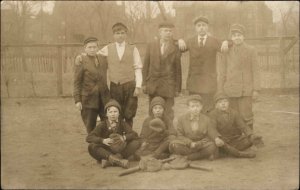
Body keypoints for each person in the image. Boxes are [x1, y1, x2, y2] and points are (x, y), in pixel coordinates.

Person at [177, 16, 229, 114]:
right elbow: (177, 46)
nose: (201, 28)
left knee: (209, 109)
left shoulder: (214, 41)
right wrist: (179, 40)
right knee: (194, 107)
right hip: (194, 81)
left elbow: (229, 45)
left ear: (207, 27)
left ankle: (208, 128)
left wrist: (226, 41)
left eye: (204, 25)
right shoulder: (190, 41)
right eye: (199, 25)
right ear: (195, 28)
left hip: (209, 82)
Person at [97, 22, 143, 127]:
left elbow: (138, 67)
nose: (120, 35)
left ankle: (128, 135)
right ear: (113, 35)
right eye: (117, 33)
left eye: (122, 33)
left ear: (126, 34)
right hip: (115, 86)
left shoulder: (133, 49)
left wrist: (138, 86)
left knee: (129, 113)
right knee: (115, 111)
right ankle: (117, 135)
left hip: (130, 85)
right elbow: (94, 55)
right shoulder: (108, 48)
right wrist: (82, 56)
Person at [218, 24, 261, 129]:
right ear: (231, 38)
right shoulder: (226, 50)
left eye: (239, 35)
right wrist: (220, 89)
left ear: (243, 36)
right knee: (233, 115)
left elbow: (256, 71)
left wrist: (256, 89)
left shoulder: (251, 50)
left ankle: (249, 138)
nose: (237, 37)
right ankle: (237, 139)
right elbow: (222, 72)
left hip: (245, 90)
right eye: (234, 35)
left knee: (246, 115)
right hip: (230, 89)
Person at [142, 21, 182, 122]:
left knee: (168, 111)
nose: (168, 33)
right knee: (153, 109)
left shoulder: (175, 47)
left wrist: (178, 88)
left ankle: (169, 132)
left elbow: (178, 69)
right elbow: (146, 66)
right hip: (153, 84)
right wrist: (144, 83)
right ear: (159, 32)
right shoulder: (151, 46)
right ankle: (153, 132)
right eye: (165, 31)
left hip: (168, 85)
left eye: (170, 31)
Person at [86, 99, 141, 168]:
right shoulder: (102, 125)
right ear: (106, 114)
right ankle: (118, 160)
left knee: (136, 142)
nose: (113, 114)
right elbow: (89, 137)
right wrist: (103, 140)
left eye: (115, 111)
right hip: (106, 150)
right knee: (92, 146)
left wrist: (123, 137)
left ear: (119, 113)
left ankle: (110, 161)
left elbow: (134, 134)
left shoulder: (122, 123)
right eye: (110, 112)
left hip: (120, 150)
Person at [169, 95, 224, 161]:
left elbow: (210, 132)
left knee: (213, 145)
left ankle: (188, 157)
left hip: (201, 144)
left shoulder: (206, 119)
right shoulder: (181, 119)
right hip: (187, 144)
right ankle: (201, 155)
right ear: (188, 108)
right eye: (192, 106)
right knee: (174, 144)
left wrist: (214, 139)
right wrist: (190, 143)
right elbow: (180, 135)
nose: (195, 109)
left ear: (201, 107)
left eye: (197, 106)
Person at [73, 37, 110, 134]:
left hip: (104, 98)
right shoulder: (81, 60)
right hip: (88, 99)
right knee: (90, 127)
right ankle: (93, 146)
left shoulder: (103, 58)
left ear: (98, 48)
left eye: (94, 47)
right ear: (85, 49)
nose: (92, 49)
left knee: (107, 124)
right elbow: (77, 82)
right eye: (89, 47)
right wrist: (77, 100)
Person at [209, 93, 263, 158]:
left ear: (229, 103)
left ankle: (228, 151)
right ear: (216, 105)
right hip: (221, 139)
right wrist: (216, 138)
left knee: (250, 140)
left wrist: (250, 135)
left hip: (233, 139)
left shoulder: (234, 113)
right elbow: (212, 129)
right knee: (215, 145)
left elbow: (243, 126)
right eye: (220, 102)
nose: (223, 104)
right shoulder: (212, 114)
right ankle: (240, 154)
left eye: (225, 101)